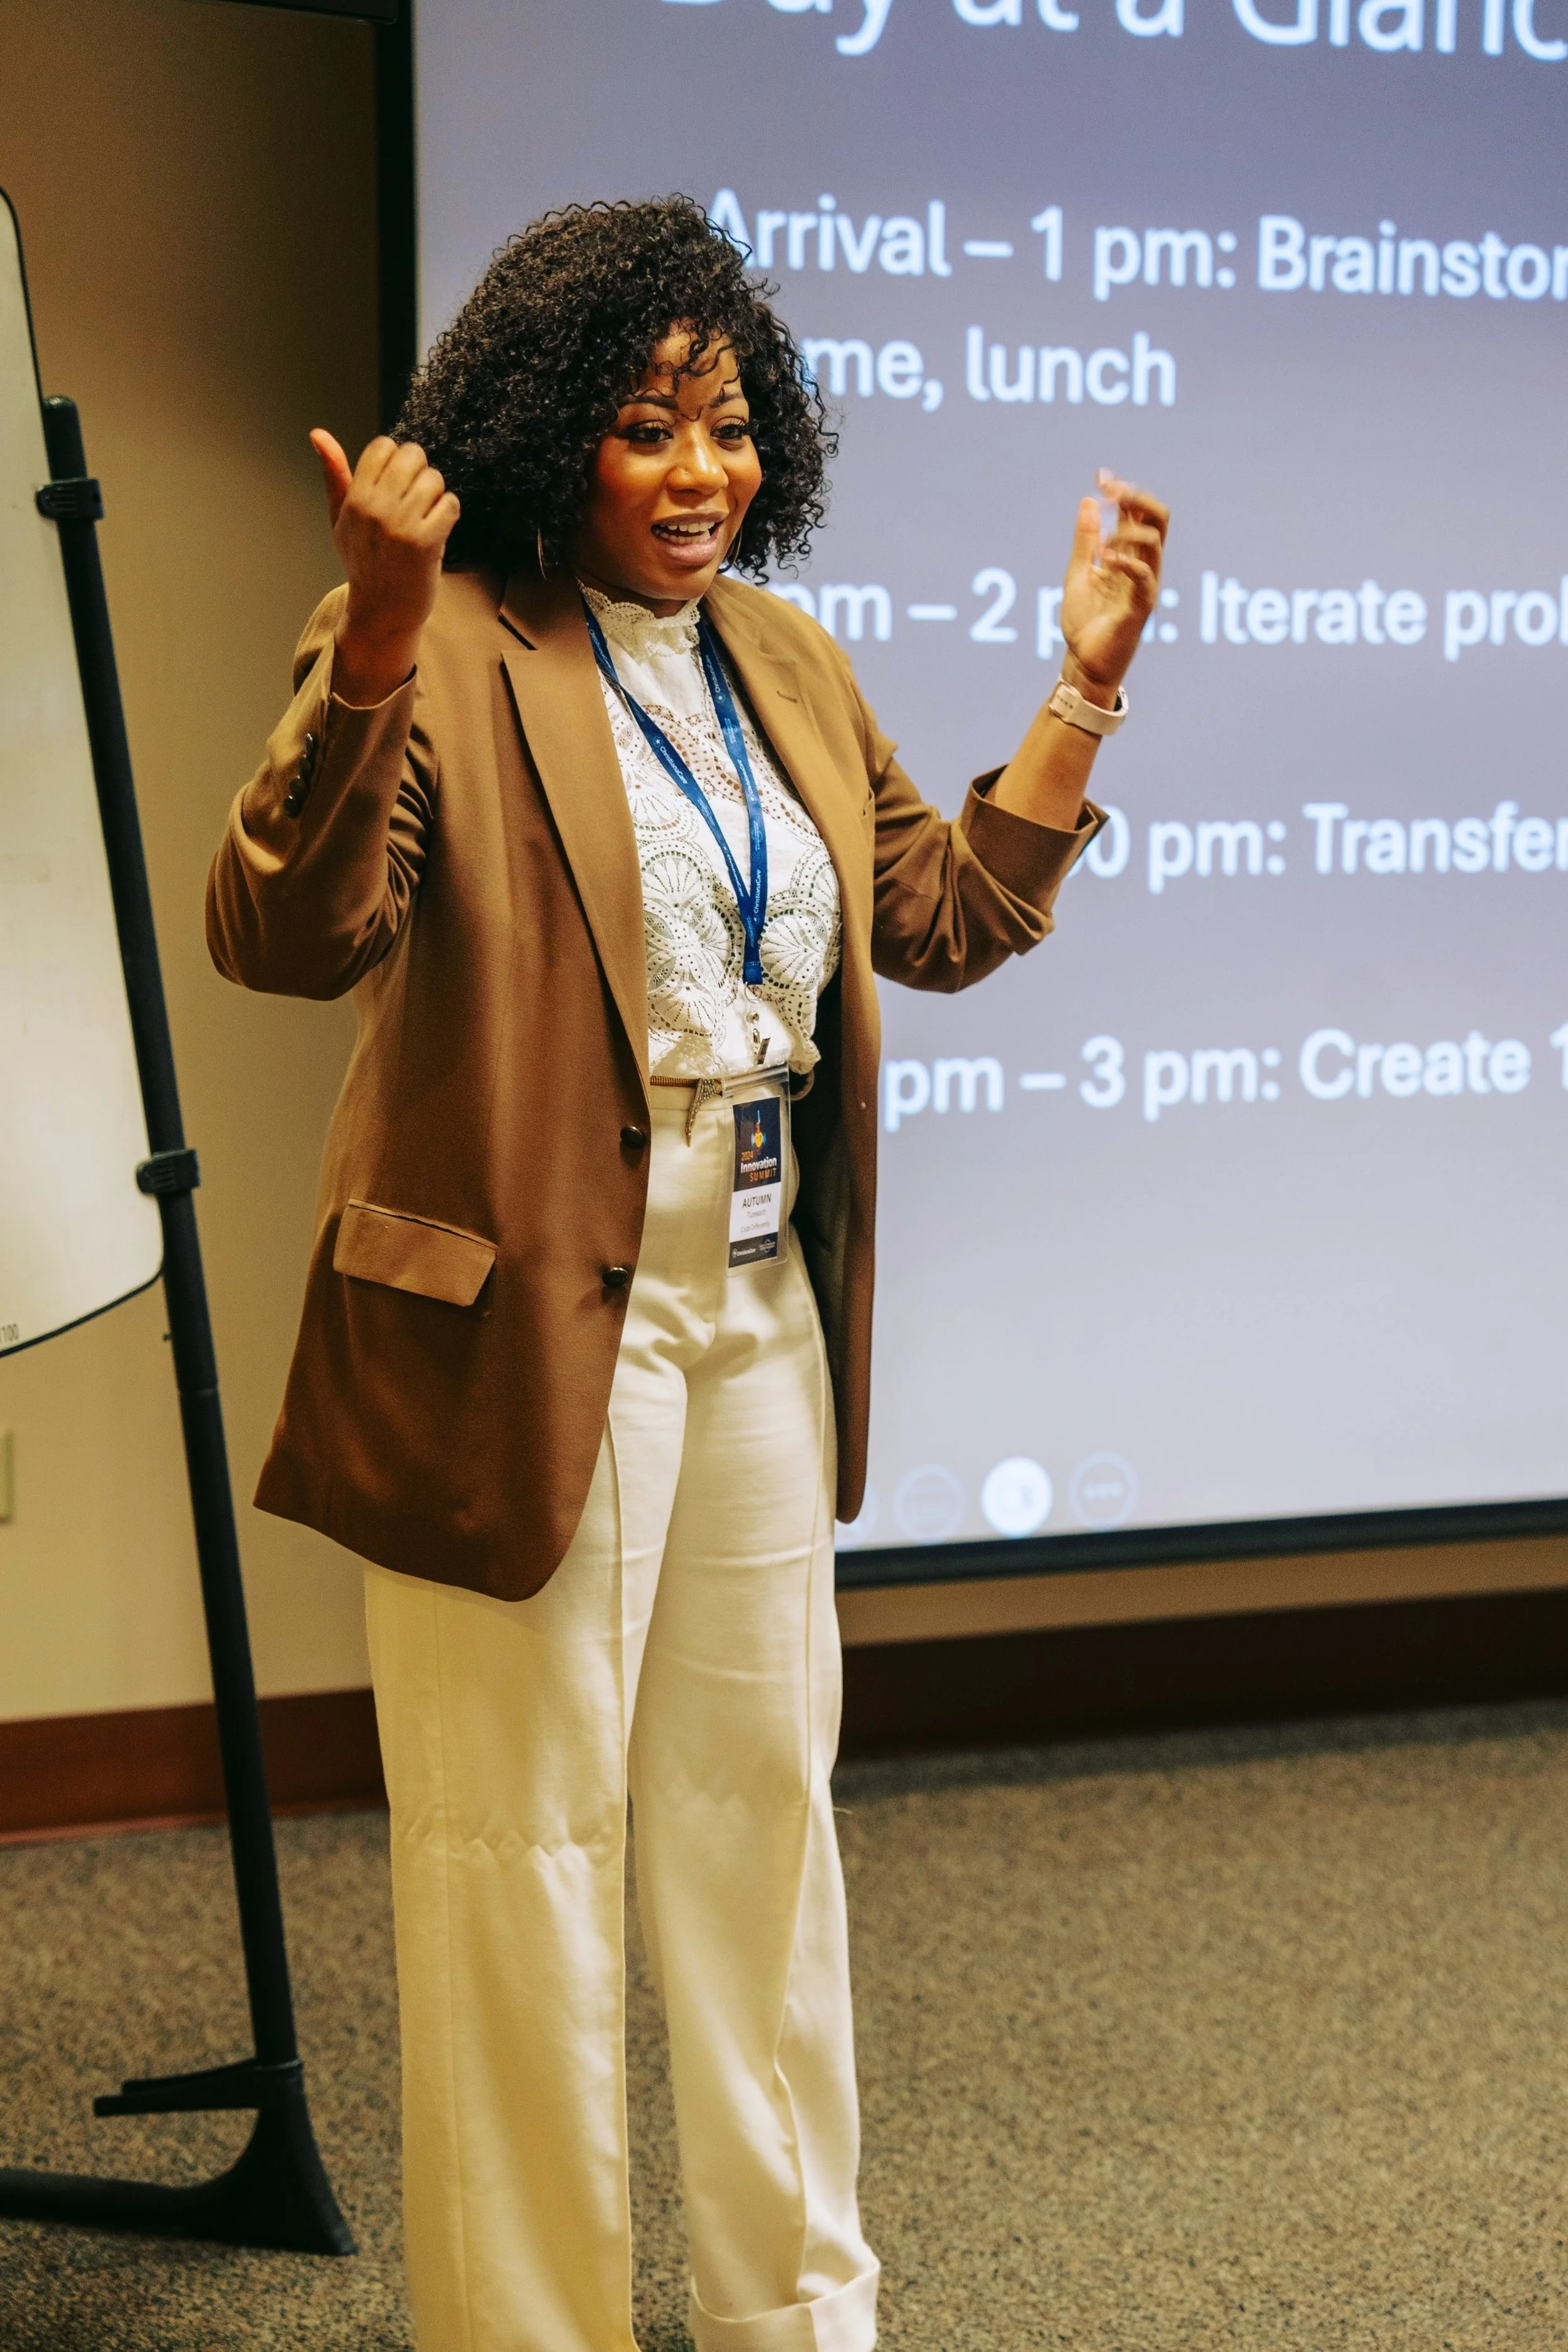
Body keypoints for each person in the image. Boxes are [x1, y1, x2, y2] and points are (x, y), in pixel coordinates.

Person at [206, 196, 1167, 2352]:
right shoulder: (439, 637)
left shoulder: (783, 664)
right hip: (519, 1326)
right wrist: (365, 645)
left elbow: (932, 913)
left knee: (759, 1838)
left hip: (753, 1325)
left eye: (727, 426)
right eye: (647, 428)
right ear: (553, 438)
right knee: (521, 1863)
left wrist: (1077, 693)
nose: (700, 472)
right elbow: (282, 932)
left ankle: (793, 2315)